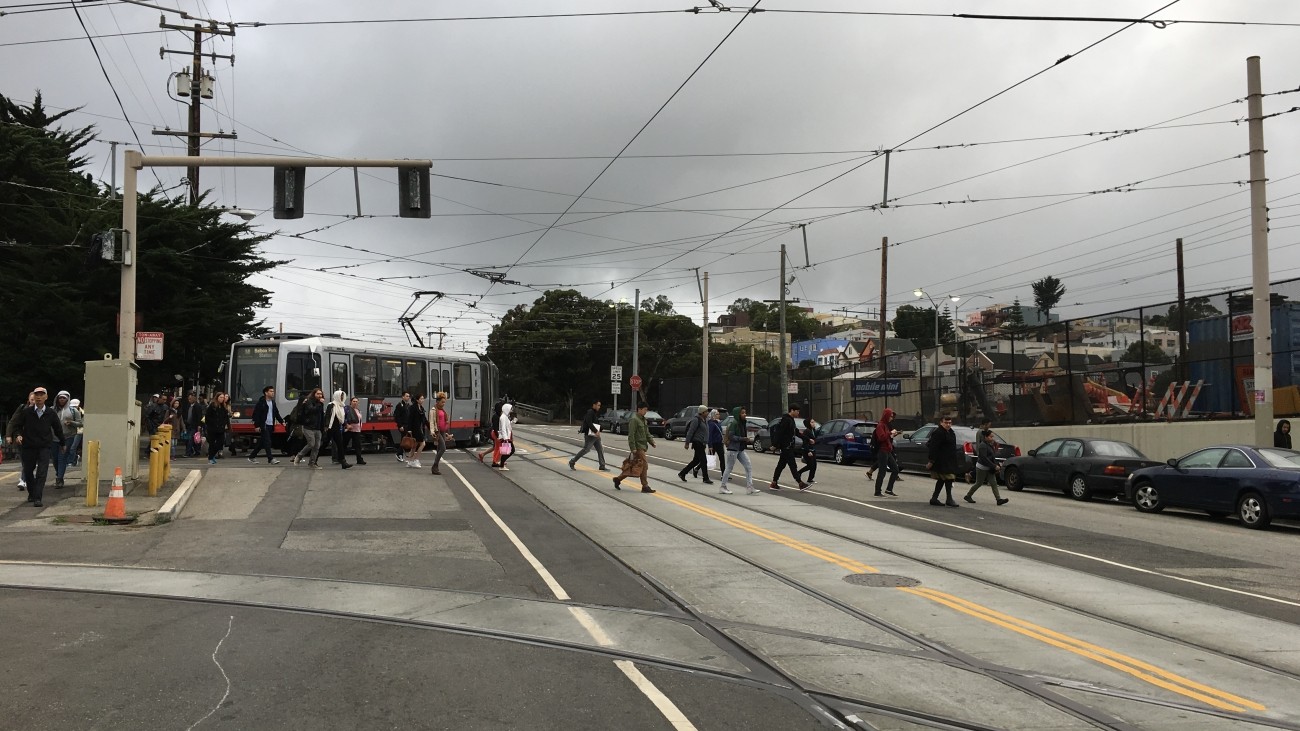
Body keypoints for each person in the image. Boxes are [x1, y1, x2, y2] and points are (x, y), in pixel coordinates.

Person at [14, 386, 63, 507]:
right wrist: (18, 435)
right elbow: (18, 426)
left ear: (46, 397)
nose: (39, 397)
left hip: (44, 446)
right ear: (33, 397)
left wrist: (63, 443)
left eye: (41, 395)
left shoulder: (50, 413)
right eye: (37, 395)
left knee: (42, 472)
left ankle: (38, 497)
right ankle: (32, 493)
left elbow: (57, 428)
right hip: (29, 446)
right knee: (28, 471)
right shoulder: (27, 412)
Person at [612, 403, 655, 492]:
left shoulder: (643, 420)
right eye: (644, 410)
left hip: (643, 446)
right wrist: (633, 448)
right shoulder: (634, 420)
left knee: (632, 465)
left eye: (646, 410)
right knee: (644, 465)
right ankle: (645, 486)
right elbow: (631, 435)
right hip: (637, 446)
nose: (645, 412)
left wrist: (651, 442)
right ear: (639, 409)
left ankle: (618, 479)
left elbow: (646, 433)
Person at [965, 429, 1009, 506]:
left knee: (994, 483)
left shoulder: (990, 445)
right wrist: (994, 466)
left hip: (989, 468)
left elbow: (992, 457)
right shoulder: (983, 445)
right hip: (981, 468)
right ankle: (968, 496)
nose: (992, 438)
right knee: (979, 483)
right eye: (991, 436)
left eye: (993, 436)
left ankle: (998, 500)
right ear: (986, 437)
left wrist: (996, 465)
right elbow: (983, 458)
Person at [769, 403, 807, 491]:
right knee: (792, 465)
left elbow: (796, 432)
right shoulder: (786, 420)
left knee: (781, 465)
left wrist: (807, 439)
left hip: (788, 446)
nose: (798, 413)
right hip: (786, 447)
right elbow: (780, 433)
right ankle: (800, 483)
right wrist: (775, 445)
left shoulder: (791, 420)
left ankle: (774, 483)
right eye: (797, 411)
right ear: (792, 410)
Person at [718, 406, 756, 495]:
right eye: (742, 413)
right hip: (733, 449)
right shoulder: (734, 423)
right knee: (729, 468)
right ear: (737, 414)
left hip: (740, 449)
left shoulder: (742, 423)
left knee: (748, 466)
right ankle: (723, 486)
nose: (745, 414)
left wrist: (744, 440)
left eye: (745, 413)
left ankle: (750, 486)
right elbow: (731, 436)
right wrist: (743, 439)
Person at [927, 416, 960, 507]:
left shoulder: (951, 432)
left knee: (942, 479)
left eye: (950, 423)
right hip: (941, 461)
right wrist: (931, 460)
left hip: (950, 460)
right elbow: (933, 447)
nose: (948, 424)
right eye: (946, 422)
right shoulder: (938, 433)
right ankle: (949, 499)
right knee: (949, 478)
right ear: (941, 422)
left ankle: (934, 498)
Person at [248, 386, 284, 465]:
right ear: (266, 393)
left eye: (273, 391)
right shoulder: (261, 403)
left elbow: (276, 413)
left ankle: (251, 456)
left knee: (262, 442)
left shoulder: (273, 402)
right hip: (263, 425)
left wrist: (282, 421)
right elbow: (256, 415)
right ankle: (270, 459)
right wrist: (257, 426)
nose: (273, 393)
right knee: (268, 441)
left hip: (271, 425)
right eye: (271, 391)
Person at [53, 390, 82, 488]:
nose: (61, 400)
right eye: (60, 398)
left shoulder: (74, 411)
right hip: (54, 438)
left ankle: (59, 478)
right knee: (55, 459)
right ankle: (59, 473)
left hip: (68, 437)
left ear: (67, 399)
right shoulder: (52, 410)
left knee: (62, 457)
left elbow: (80, 423)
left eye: (64, 398)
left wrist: (71, 422)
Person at [569, 398, 608, 471]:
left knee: (600, 449)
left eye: (600, 405)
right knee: (586, 450)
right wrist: (596, 431)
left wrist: (600, 429)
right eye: (598, 405)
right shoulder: (590, 412)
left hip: (595, 436)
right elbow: (589, 423)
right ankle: (572, 461)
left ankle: (602, 465)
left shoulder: (594, 413)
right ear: (594, 405)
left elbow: (595, 423)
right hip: (590, 435)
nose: (599, 407)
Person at [292, 388, 326, 469]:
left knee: (317, 446)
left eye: (321, 394)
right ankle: (299, 456)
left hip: (317, 428)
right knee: (311, 444)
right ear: (314, 394)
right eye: (318, 394)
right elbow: (311, 410)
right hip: (308, 427)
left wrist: (323, 426)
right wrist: (319, 404)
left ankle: (312, 463)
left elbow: (320, 415)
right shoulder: (309, 401)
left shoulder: (320, 404)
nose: (319, 395)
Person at [871, 408, 902, 497]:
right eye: (890, 416)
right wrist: (890, 433)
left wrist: (892, 434)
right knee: (882, 471)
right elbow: (881, 438)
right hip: (882, 450)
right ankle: (877, 491)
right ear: (886, 416)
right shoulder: (880, 425)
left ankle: (889, 489)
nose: (891, 418)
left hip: (887, 450)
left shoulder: (886, 425)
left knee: (895, 469)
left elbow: (886, 437)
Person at [678, 406, 712, 484]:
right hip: (697, 442)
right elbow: (691, 431)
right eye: (706, 412)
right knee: (704, 460)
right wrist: (687, 442)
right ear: (702, 413)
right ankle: (705, 478)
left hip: (702, 443)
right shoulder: (696, 420)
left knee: (696, 461)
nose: (707, 413)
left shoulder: (705, 420)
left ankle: (682, 473)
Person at [321, 390, 352, 469]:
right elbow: (327, 416)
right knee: (325, 444)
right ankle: (314, 459)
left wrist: (345, 425)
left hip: (337, 428)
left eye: (342, 396)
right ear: (337, 396)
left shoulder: (341, 406)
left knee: (340, 445)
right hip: (330, 428)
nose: (342, 397)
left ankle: (343, 462)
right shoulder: (331, 405)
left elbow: (341, 418)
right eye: (340, 396)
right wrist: (326, 426)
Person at [204, 392, 231, 464]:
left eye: (223, 397)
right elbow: (207, 416)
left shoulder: (224, 407)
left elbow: (226, 418)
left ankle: (211, 455)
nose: (222, 399)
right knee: (212, 443)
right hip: (212, 428)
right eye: (221, 397)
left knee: (220, 442)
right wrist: (210, 424)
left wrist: (228, 426)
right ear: (217, 398)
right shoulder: (212, 406)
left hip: (221, 428)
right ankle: (211, 457)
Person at [405, 393, 429, 469]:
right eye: (421, 398)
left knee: (414, 445)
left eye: (423, 398)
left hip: (419, 428)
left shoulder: (421, 408)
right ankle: (416, 460)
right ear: (417, 400)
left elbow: (424, 419)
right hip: (415, 429)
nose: (423, 400)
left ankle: (410, 461)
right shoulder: (413, 408)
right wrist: (409, 429)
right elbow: (409, 419)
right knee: (423, 444)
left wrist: (430, 427)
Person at [795, 416, 818, 485]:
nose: (814, 423)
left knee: (814, 465)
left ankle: (810, 479)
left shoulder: (813, 430)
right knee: (810, 465)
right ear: (808, 423)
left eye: (814, 422)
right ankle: (799, 472)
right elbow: (805, 442)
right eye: (812, 422)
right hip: (807, 450)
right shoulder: (807, 431)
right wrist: (808, 451)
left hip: (812, 450)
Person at [345, 396, 367, 466]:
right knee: (344, 444)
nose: (355, 403)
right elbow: (344, 418)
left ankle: (359, 459)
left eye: (356, 401)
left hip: (357, 430)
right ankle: (341, 458)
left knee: (358, 446)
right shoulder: (347, 409)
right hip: (349, 430)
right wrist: (347, 425)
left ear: (358, 403)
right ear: (350, 402)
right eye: (353, 401)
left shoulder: (358, 410)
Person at [429, 392, 448, 474]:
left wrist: (447, 432)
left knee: (439, 449)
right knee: (443, 448)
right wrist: (432, 431)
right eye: (442, 402)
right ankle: (434, 465)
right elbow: (432, 422)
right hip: (437, 431)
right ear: (437, 401)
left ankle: (435, 468)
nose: (443, 404)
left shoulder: (442, 410)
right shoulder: (433, 410)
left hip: (443, 431)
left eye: (444, 402)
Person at [393, 391, 413, 462]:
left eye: (409, 396)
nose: (408, 397)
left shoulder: (407, 405)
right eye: (407, 396)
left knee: (404, 440)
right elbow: (397, 416)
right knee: (404, 440)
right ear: (403, 397)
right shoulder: (399, 405)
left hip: (407, 425)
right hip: (402, 426)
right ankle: (399, 454)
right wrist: (400, 425)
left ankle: (400, 455)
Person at [182, 393, 204, 458]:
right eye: (188, 399)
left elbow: (199, 417)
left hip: (194, 425)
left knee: (191, 439)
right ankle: (196, 451)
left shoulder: (197, 406)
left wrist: (199, 425)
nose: (189, 400)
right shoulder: (188, 406)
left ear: (194, 398)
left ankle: (188, 452)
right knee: (188, 439)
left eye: (190, 399)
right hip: (188, 425)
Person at [496, 402, 516, 471]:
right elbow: (503, 428)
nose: (511, 411)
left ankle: (502, 464)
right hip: (505, 437)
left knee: (506, 451)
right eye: (510, 409)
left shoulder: (505, 417)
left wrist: (512, 422)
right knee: (511, 450)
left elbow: (508, 426)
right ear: (507, 409)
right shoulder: (503, 417)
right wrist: (505, 438)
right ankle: (501, 465)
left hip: (507, 437)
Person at [68, 398, 85, 466]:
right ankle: (74, 458)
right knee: (70, 446)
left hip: (79, 431)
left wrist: (71, 422)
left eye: (75, 406)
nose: (74, 407)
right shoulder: (69, 411)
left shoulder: (82, 413)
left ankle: (72, 461)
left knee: (73, 447)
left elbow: (82, 424)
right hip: (71, 431)